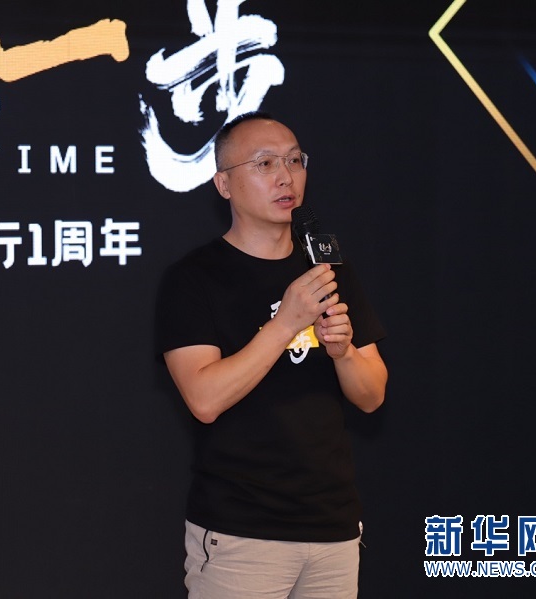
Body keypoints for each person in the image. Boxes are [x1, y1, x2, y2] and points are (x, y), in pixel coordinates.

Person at [155, 112, 388, 598]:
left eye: (295, 161)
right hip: (242, 534)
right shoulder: (193, 279)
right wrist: (286, 322)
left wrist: (343, 352)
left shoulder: (328, 270)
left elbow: (372, 396)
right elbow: (204, 399)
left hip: (333, 529)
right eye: (264, 164)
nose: (286, 176)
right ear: (224, 184)